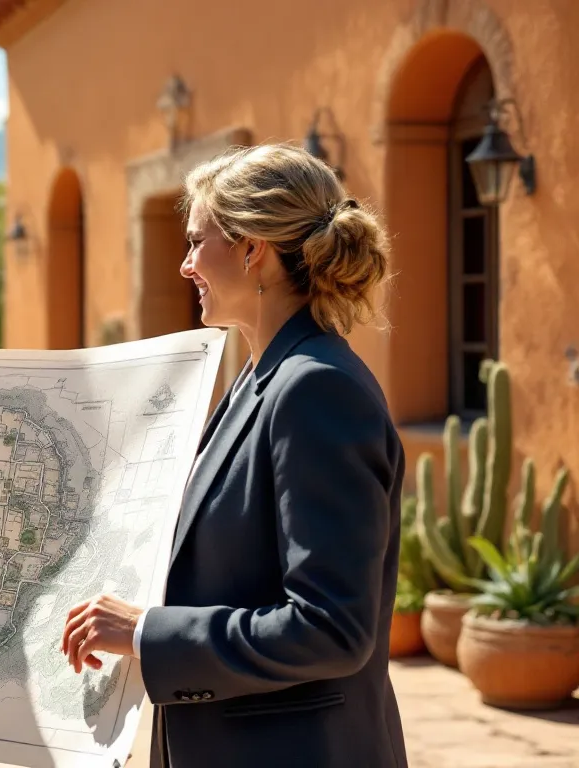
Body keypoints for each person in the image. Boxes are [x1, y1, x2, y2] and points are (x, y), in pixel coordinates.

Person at [60, 143, 408, 767]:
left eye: (197, 242)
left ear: (254, 251)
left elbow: (332, 627)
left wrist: (144, 633)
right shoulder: (256, 379)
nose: (186, 264)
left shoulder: (314, 388)